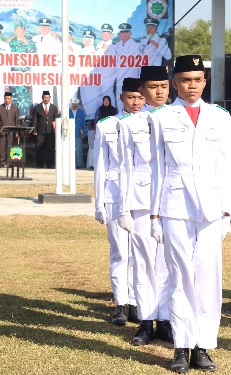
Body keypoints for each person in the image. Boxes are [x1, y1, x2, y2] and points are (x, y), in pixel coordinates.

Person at [149, 55, 231, 373]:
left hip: (211, 208)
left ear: (204, 81)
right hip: (174, 206)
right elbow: (157, 168)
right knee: (180, 276)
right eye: (186, 80)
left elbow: (226, 167)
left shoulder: (219, 117)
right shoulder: (161, 118)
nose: (192, 85)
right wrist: (155, 215)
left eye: (198, 79)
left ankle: (202, 346)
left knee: (208, 278)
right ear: (175, 83)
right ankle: (181, 348)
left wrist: (228, 212)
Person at [116, 69, 173, 346]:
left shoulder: (178, 118)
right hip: (140, 202)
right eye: (153, 87)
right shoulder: (129, 125)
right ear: (143, 89)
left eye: (163, 86)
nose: (159, 92)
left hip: (171, 202)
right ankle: (146, 322)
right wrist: (123, 208)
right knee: (142, 264)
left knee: (166, 265)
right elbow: (125, 168)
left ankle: (165, 319)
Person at [94, 79, 139, 327]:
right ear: (121, 98)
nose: (136, 102)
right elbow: (100, 166)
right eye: (131, 97)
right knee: (120, 252)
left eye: (140, 98)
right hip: (113, 194)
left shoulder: (149, 124)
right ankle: (121, 303)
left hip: (139, 197)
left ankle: (135, 302)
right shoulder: (107, 126)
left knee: (138, 253)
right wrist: (98, 203)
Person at [8, 21, 36, 119]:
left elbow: (35, 60)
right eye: (17, 29)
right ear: (14, 30)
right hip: (14, 77)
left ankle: (24, 118)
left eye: (21, 28)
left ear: (24, 30)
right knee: (13, 99)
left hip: (25, 77)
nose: (18, 31)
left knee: (25, 98)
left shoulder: (30, 43)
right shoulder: (10, 43)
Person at [32, 18, 61, 106]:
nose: (44, 28)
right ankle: (36, 115)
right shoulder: (34, 39)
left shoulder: (54, 40)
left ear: (49, 28)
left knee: (47, 94)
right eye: (42, 26)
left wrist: (56, 40)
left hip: (48, 72)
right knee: (36, 94)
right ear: (39, 27)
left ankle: (49, 116)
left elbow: (59, 53)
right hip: (36, 72)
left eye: (46, 26)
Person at [113, 23, 141, 113]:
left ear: (130, 33)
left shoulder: (137, 46)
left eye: (126, 32)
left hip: (133, 78)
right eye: (122, 32)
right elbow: (113, 64)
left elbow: (140, 64)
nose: (124, 34)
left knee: (133, 103)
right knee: (120, 101)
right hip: (119, 79)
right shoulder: (116, 46)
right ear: (119, 34)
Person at [32, 91, 59, 168]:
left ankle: (50, 164)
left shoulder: (54, 108)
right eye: (44, 97)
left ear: (50, 98)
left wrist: (56, 130)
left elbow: (56, 119)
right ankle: (39, 164)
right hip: (40, 131)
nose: (46, 99)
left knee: (50, 148)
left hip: (51, 132)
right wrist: (34, 130)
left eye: (47, 97)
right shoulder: (37, 107)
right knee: (39, 148)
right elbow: (35, 120)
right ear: (42, 98)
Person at [95, 23, 116, 110]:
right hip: (98, 74)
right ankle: (100, 114)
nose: (105, 35)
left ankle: (112, 113)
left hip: (109, 76)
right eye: (103, 33)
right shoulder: (98, 45)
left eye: (107, 33)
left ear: (111, 34)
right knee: (99, 96)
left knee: (109, 95)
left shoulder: (114, 46)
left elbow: (116, 61)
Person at [0, 92, 19, 167]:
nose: (7, 100)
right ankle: (2, 162)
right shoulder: (0, 107)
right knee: (1, 147)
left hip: (11, 131)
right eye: (5, 98)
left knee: (10, 146)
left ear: (11, 99)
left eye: (8, 98)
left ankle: (10, 161)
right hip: (2, 131)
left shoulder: (15, 108)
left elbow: (17, 120)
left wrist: (17, 132)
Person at [69, 98, 87, 168]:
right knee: (71, 149)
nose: (74, 107)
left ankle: (79, 164)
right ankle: (71, 163)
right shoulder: (68, 111)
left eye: (76, 105)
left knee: (79, 149)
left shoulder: (81, 112)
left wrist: (84, 133)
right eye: (73, 105)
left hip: (78, 133)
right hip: (69, 133)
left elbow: (83, 124)